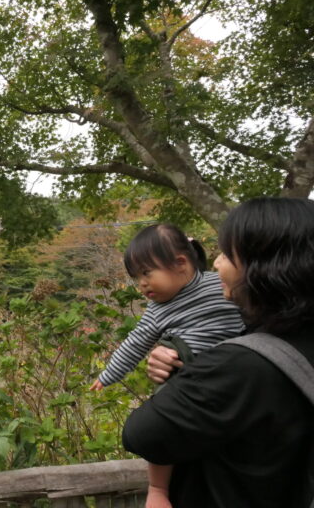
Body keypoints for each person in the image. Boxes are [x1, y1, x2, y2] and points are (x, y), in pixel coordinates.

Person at [124, 197, 314, 507]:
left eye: (227, 253)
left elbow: (141, 434)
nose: (215, 263)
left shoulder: (242, 365)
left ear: (262, 265)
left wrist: (187, 374)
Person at [89, 224, 245, 507]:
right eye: (137, 278)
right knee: (164, 417)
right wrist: (108, 375)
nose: (142, 284)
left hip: (236, 369)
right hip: (186, 375)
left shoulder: (219, 283)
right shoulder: (157, 310)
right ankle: (157, 488)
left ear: (181, 263)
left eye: (147, 273)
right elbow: (134, 344)